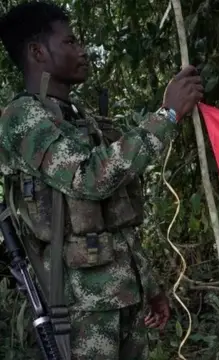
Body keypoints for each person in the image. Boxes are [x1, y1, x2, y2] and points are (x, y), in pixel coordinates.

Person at [0, 1, 203, 359]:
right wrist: (167, 114)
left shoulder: (80, 118)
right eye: (71, 42)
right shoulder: (21, 118)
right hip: (77, 311)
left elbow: (113, 218)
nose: (82, 51)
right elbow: (88, 178)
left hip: (122, 299)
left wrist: (149, 286)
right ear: (37, 52)